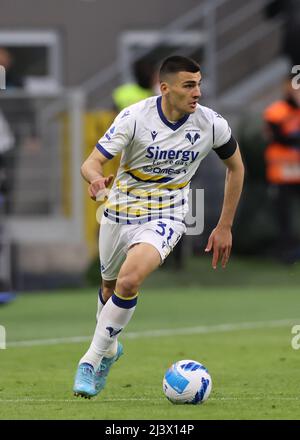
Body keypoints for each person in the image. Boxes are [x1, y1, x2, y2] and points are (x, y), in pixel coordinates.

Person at [73, 55, 244, 398]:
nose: (197, 92)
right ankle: (109, 347)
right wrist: (95, 182)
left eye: (198, 84)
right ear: (165, 88)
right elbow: (91, 163)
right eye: (188, 85)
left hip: (168, 213)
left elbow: (236, 168)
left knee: (130, 279)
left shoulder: (211, 124)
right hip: (119, 210)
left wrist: (224, 225)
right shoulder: (135, 118)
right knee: (109, 290)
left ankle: (90, 361)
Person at [263, 76, 300, 259]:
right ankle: (286, 253)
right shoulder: (276, 111)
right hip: (282, 173)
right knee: (283, 217)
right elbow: (280, 137)